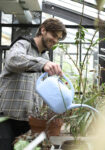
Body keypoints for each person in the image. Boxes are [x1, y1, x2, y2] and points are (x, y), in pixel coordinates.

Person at [0, 18, 67, 150]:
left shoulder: (45, 57)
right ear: (43, 30)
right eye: (54, 35)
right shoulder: (22, 44)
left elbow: (42, 88)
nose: (55, 41)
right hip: (6, 118)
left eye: (58, 38)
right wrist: (43, 64)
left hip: (29, 120)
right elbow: (13, 59)